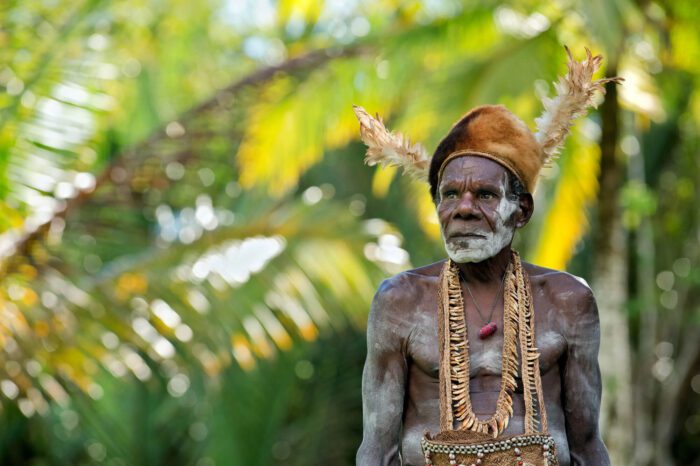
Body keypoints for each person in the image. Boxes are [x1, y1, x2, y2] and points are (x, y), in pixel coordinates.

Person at [353, 48, 620, 466]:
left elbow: (587, 445)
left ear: (522, 211)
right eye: (450, 194)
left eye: (485, 195)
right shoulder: (400, 301)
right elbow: (377, 449)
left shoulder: (568, 300)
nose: (463, 208)